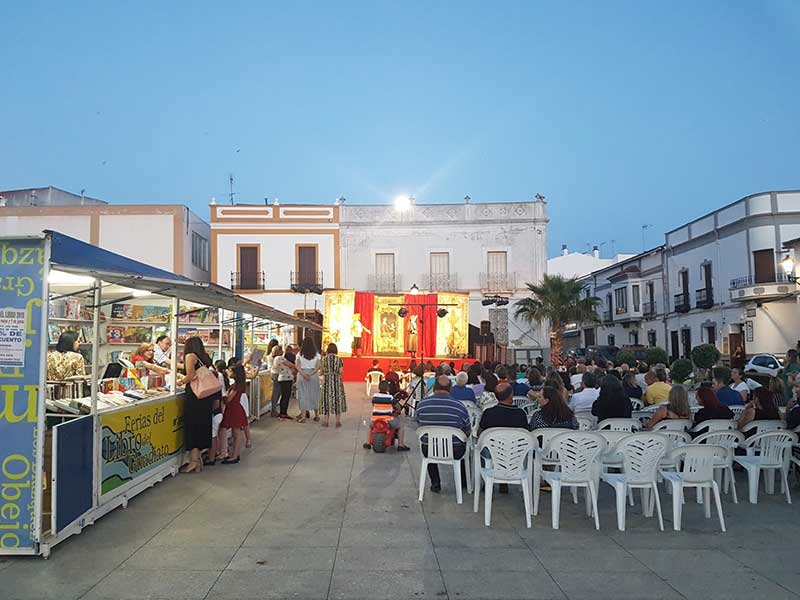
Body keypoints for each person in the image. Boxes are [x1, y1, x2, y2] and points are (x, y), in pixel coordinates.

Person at [415, 376, 471, 493]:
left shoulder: (422, 405)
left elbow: (419, 424)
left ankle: (435, 483)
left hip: (429, 448)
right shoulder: (460, 406)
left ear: (434, 387)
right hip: (455, 450)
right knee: (462, 443)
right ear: (450, 388)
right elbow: (467, 430)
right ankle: (463, 481)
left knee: (430, 444)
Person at [178, 336, 220, 473]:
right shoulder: (204, 357)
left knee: (192, 426)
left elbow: (191, 376)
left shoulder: (190, 356)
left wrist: (179, 382)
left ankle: (194, 461)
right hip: (205, 397)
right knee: (201, 426)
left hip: (195, 396)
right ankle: (198, 460)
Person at [363, 380, 410, 451]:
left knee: (369, 425)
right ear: (388, 389)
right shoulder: (390, 397)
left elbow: (373, 406)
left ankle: (368, 442)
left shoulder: (374, 397)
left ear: (379, 388)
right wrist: (397, 411)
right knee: (401, 426)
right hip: (388, 420)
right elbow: (398, 407)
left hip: (375, 420)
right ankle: (401, 445)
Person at [217, 363, 249, 464]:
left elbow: (228, 399)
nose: (228, 372)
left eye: (230, 371)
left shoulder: (236, 385)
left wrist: (222, 394)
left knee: (236, 433)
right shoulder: (239, 384)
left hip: (234, 409)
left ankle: (234, 455)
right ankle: (235, 454)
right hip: (235, 408)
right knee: (236, 432)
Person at [320, 343, 346, 427]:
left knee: (326, 400)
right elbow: (341, 371)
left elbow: (321, 371)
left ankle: (326, 421)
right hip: (336, 381)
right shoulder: (339, 359)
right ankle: (337, 421)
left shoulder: (323, 359)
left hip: (327, 381)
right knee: (337, 400)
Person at [296, 337, 321, 423]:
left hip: (302, 375)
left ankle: (303, 417)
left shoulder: (299, 354)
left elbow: (297, 366)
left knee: (303, 395)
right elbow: (318, 366)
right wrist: (310, 374)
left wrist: (304, 374)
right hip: (313, 375)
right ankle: (317, 416)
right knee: (315, 394)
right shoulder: (317, 354)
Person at [273, 345, 298, 420]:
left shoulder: (276, 358)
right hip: (286, 378)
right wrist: (295, 366)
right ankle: (283, 413)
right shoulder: (280, 358)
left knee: (285, 396)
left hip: (283, 378)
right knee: (285, 396)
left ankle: (283, 412)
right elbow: (291, 364)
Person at [268, 344, 283, 417]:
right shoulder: (277, 358)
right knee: (276, 392)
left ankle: (274, 409)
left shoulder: (271, 356)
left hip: (274, 374)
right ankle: (273, 410)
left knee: (277, 392)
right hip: (276, 374)